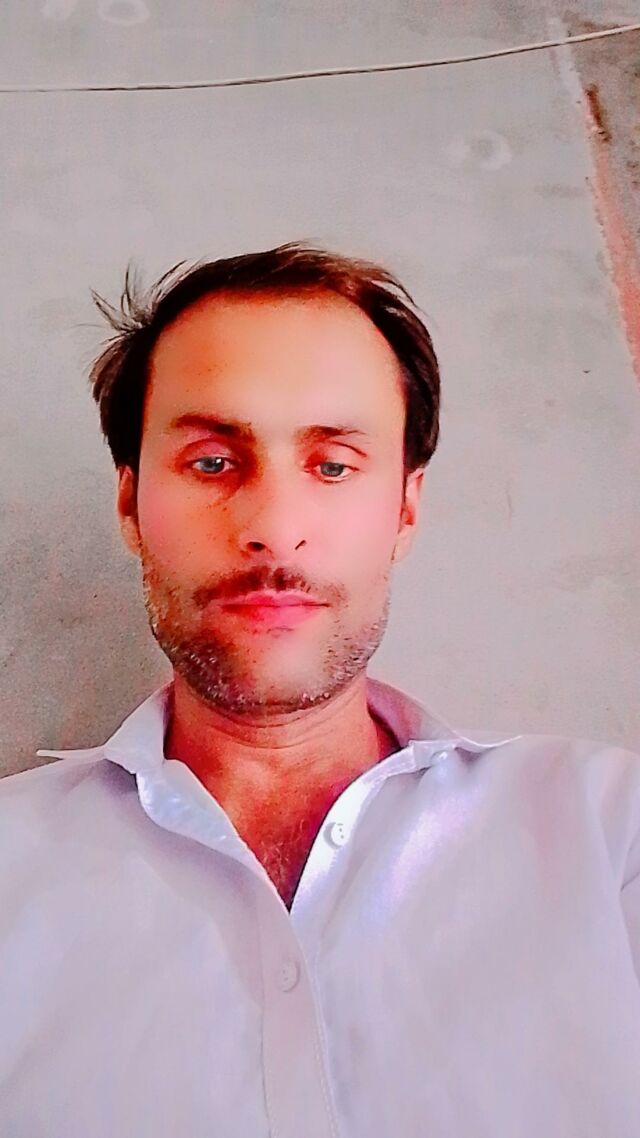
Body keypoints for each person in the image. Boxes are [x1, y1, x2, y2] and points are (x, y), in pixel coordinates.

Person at [1, 242, 639, 1138]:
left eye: (334, 465)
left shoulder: (612, 835)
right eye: (212, 462)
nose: (273, 528)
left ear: (406, 507)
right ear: (129, 504)